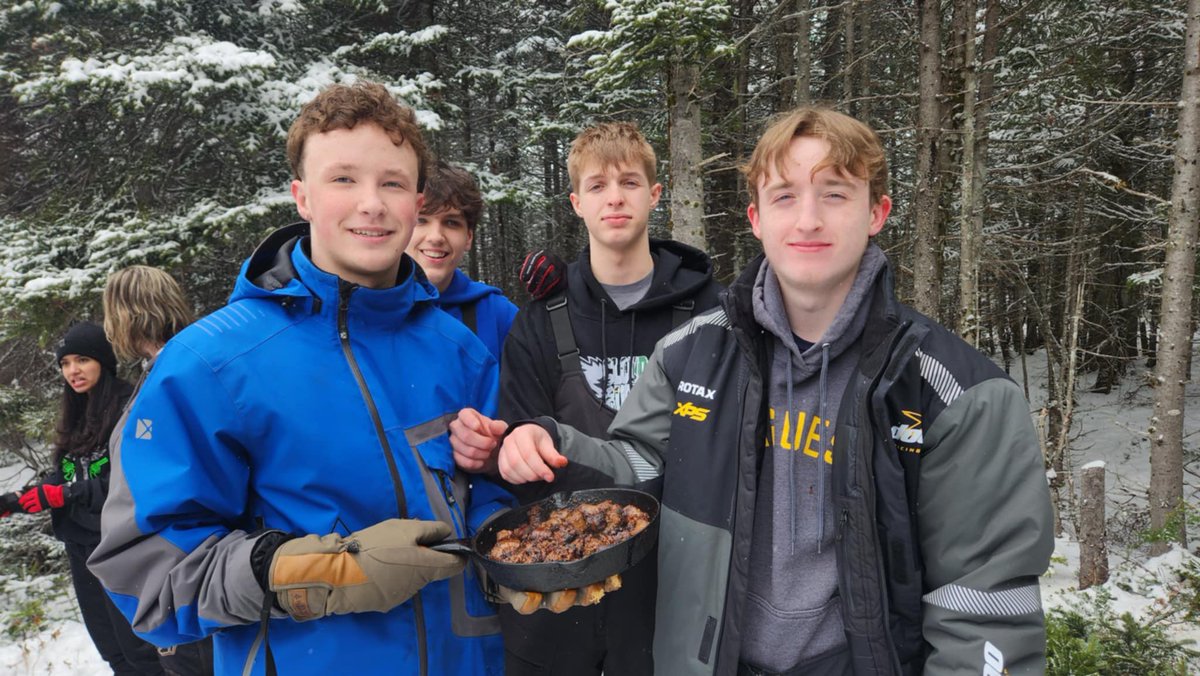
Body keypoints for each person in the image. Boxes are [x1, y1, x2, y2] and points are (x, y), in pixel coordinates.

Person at [452, 108, 1055, 674]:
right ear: (756, 218)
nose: (809, 218)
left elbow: (986, 599)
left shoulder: (954, 392)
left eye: (836, 194)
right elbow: (640, 463)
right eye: (785, 196)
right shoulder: (693, 353)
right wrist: (553, 441)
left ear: (877, 212)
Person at [88, 82, 512, 676]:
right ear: (302, 196)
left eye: (392, 182)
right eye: (343, 179)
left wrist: (514, 549)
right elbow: (146, 573)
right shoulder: (211, 364)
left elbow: (489, 490)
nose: (371, 203)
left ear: (416, 201)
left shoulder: (461, 351)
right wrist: (321, 573)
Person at [461, 121, 723, 675]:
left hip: (672, 580)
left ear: (655, 195)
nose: (615, 198)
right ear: (577, 203)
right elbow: (518, 453)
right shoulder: (539, 319)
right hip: (560, 577)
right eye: (598, 186)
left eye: (629, 182)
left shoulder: (709, 315)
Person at [17, 322, 164, 675]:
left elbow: (129, 479)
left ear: (102, 360)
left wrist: (63, 494)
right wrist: (17, 500)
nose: (72, 371)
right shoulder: (76, 411)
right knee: (112, 650)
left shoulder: (130, 405)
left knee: (141, 652)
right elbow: (68, 471)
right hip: (81, 546)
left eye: (82, 359)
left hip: (120, 544)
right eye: (65, 363)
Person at [102, 265, 213, 676]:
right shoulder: (176, 364)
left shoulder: (177, 372)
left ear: (127, 315)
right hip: (186, 572)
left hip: (187, 569)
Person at [405, 161, 517, 359]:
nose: (436, 237)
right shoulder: (366, 310)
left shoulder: (498, 315)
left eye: (451, 223)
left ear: (469, 237)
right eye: (421, 220)